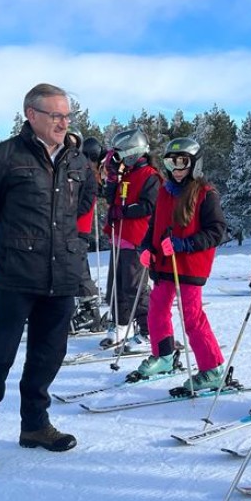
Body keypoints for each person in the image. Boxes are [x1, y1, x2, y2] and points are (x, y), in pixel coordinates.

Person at [0, 83, 93, 475]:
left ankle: (35, 425)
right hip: (15, 277)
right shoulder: (3, 157)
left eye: (67, 116)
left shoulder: (78, 162)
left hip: (61, 276)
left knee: (48, 354)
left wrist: (73, 246)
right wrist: (3, 257)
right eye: (55, 115)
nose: (63, 122)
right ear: (31, 115)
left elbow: (83, 204)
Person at [134, 136, 228, 391]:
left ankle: (213, 368)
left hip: (189, 266)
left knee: (191, 316)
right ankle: (164, 355)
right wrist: (147, 248)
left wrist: (184, 244)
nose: (176, 169)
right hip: (164, 264)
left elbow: (217, 231)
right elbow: (154, 226)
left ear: (194, 164)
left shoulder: (206, 194)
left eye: (182, 162)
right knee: (157, 309)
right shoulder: (165, 191)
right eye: (171, 162)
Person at [101, 127, 160, 348]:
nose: (117, 157)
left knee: (135, 286)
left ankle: (148, 328)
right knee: (116, 284)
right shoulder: (126, 174)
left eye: (120, 153)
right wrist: (112, 178)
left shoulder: (150, 176)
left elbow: (149, 206)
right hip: (119, 237)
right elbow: (109, 198)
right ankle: (119, 325)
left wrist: (124, 211)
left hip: (137, 237)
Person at [70, 134, 107, 333]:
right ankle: (81, 310)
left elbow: (84, 204)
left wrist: (66, 212)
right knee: (73, 270)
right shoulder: (77, 170)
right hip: (69, 229)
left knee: (79, 270)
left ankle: (91, 312)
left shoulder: (87, 173)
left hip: (78, 229)